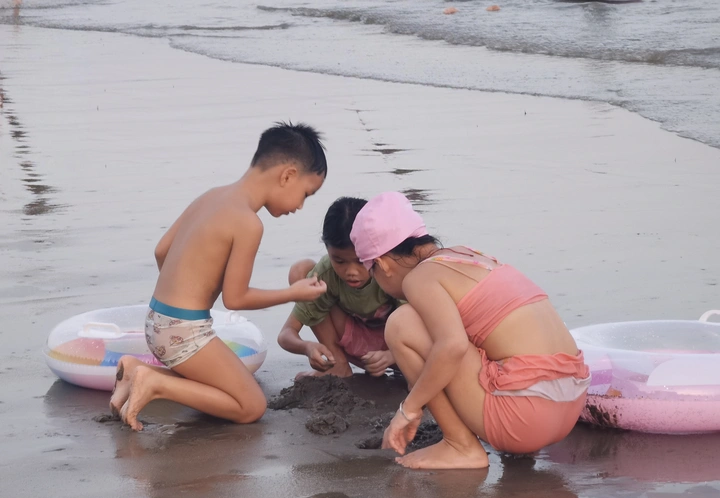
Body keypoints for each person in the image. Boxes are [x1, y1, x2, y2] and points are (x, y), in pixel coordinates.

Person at [110, 121, 329, 430]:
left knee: (228, 388)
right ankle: (155, 384)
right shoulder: (248, 223)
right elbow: (236, 299)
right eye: (306, 193)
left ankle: (135, 370)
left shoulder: (212, 196)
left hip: (157, 319)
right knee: (251, 406)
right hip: (185, 331)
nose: (301, 206)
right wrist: (294, 293)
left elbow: (161, 250)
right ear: (288, 176)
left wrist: (187, 288)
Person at [349, 192, 590, 469]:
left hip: (523, 420)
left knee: (401, 323)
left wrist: (408, 409)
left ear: (382, 264)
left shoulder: (419, 278)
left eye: (372, 274)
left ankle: (460, 446)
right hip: (571, 406)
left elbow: (452, 346)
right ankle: (514, 446)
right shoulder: (467, 257)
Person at [277, 197, 398, 379]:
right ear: (327, 249)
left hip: (399, 350)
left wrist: (392, 354)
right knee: (301, 271)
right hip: (359, 349)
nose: (351, 272)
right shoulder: (327, 273)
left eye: (361, 261)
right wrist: (307, 347)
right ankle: (338, 364)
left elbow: (425, 326)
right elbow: (286, 334)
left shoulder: (391, 269)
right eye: (339, 261)